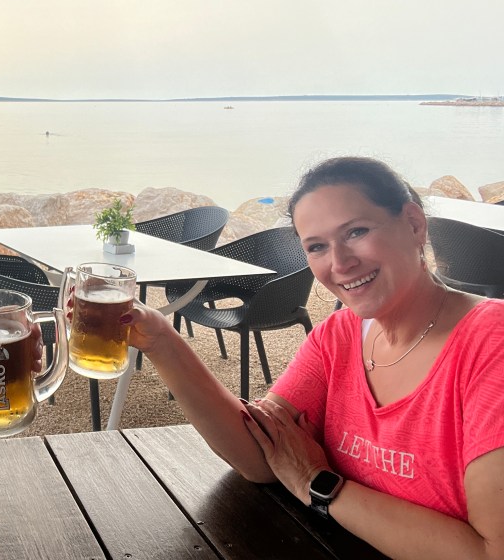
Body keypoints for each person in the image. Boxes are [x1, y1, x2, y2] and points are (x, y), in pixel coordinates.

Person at [123, 157, 504, 559]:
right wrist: (162, 342)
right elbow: (263, 456)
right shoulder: (338, 336)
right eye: (317, 247)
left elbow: (491, 552)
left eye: (356, 232)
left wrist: (316, 483)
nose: (339, 263)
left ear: (413, 224)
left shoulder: (491, 342)